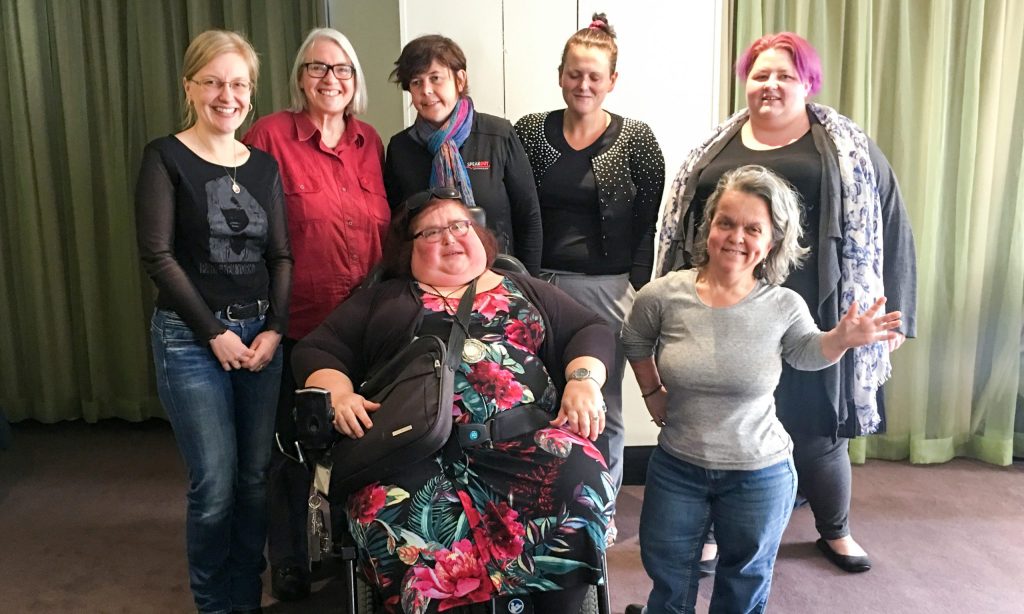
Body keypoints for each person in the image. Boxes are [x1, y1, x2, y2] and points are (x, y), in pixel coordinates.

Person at [654, 32, 917, 574]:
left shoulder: (845, 145)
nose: (770, 85)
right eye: (759, 74)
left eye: (785, 75)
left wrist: (897, 313)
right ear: (744, 83)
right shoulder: (715, 147)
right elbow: (684, 226)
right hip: (722, 308)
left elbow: (888, 222)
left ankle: (834, 529)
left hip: (817, 308)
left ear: (808, 84)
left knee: (818, 426)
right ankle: (710, 533)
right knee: (713, 420)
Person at [291, 188, 614, 612]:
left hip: (527, 443)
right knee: (386, 513)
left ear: (478, 234)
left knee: (583, 478)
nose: (450, 238)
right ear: (408, 250)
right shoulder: (385, 299)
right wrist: (339, 390)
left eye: (460, 225)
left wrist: (584, 379)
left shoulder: (525, 288)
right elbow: (317, 349)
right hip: (418, 450)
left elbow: (590, 329)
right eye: (431, 232)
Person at [624, 165, 903, 614]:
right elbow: (634, 339)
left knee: (743, 583)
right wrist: (652, 393)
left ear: (771, 243)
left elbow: (807, 353)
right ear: (708, 227)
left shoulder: (782, 305)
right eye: (726, 223)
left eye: (753, 228)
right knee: (668, 577)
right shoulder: (662, 295)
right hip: (678, 467)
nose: (736, 237)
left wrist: (843, 338)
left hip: (759, 472)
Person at [135, 30, 292, 614]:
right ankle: (213, 604)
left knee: (254, 481)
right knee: (215, 489)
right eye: (213, 82)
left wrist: (275, 328)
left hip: (261, 340)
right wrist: (213, 333)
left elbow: (281, 254)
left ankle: (245, 598)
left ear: (250, 93)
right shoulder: (165, 156)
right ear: (189, 86)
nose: (226, 95)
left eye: (238, 84)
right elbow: (158, 256)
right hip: (190, 341)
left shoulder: (264, 166)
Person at [241, 27, 389, 602]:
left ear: (356, 81)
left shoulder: (369, 141)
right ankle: (289, 560)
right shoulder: (271, 136)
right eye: (319, 69)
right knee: (290, 451)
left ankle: (354, 553)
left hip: (364, 327)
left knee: (357, 441)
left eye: (343, 70)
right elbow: (245, 230)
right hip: (295, 323)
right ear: (300, 77)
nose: (332, 80)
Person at [514, 13, 665, 501]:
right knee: (535, 391)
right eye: (574, 73)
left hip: (606, 287)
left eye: (594, 76)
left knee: (603, 398)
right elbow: (517, 208)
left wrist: (635, 290)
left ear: (612, 81)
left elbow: (648, 220)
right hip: (538, 285)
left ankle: (599, 502)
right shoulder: (530, 132)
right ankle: (542, 497)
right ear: (560, 74)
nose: (583, 84)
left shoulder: (637, 139)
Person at [383, 34, 543, 274]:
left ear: (460, 79)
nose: (426, 90)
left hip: (499, 276)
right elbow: (397, 229)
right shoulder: (400, 147)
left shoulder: (498, 134)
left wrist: (530, 285)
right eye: (416, 82)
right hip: (429, 281)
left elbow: (528, 217)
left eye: (435, 78)